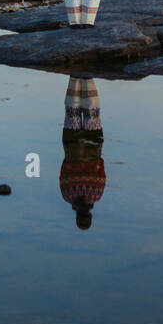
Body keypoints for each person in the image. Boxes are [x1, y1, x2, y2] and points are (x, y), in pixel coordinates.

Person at [60, 76, 105, 230]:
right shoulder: (67, 196)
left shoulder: (96, 196)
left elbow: (102, 174)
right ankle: (76, 78)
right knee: (72, 111)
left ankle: (86, 78)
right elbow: (63, 172)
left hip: (93, 150)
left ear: (90, 216)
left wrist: (100, 160)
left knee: (92, 110)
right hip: (72, 149)